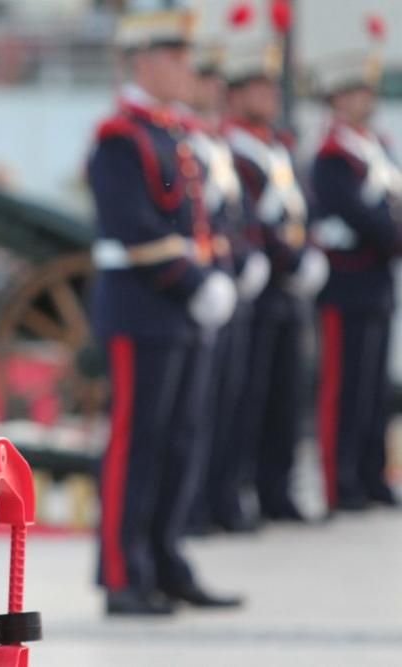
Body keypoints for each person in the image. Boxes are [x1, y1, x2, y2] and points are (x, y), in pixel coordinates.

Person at [88, 8, 240, 616]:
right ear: (143, 63)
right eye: (174, 58)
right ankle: (125, 574)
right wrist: (195, 280)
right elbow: (133, 225)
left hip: (179, 312)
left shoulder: (172, 133)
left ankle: (166, 559)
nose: (186, 69)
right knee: (136, 443)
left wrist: (216, 275)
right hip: (142, 309)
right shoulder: (120, 137)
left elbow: (203, 219)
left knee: (181, 439)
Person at [222, 10, 328, 522]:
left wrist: (308, 253)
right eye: (256, 87)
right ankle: (241, 492)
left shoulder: (278, 147)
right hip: (261, 286)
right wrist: (286, 255)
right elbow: (249, 219)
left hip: (289, 286)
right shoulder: (235, 148)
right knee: (251, 397)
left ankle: (277, 490)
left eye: (269, 86)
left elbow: (300, 207)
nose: (267, 95)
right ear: (237, 94)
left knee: (289, 395)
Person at [310, 16, 402, 511]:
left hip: (377, 282)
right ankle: (339, 483)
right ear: (338, 99)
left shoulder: (375, 151)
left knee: (373, 392)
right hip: (346, 285)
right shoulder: (332, 158)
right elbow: (368, 218)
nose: (365, 100)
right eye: (355, 92)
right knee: (343, 393)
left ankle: (371, 476)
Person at [181, 43, 270, 534]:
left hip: (227, 283)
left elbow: (236, 217)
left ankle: (218, 499)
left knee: (229, 404)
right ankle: (193, 509)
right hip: (197, 288)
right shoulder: (186, 140)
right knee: (197, 412)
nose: (213, 89)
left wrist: (247, 255)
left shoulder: (213, 143)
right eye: (205, 78)